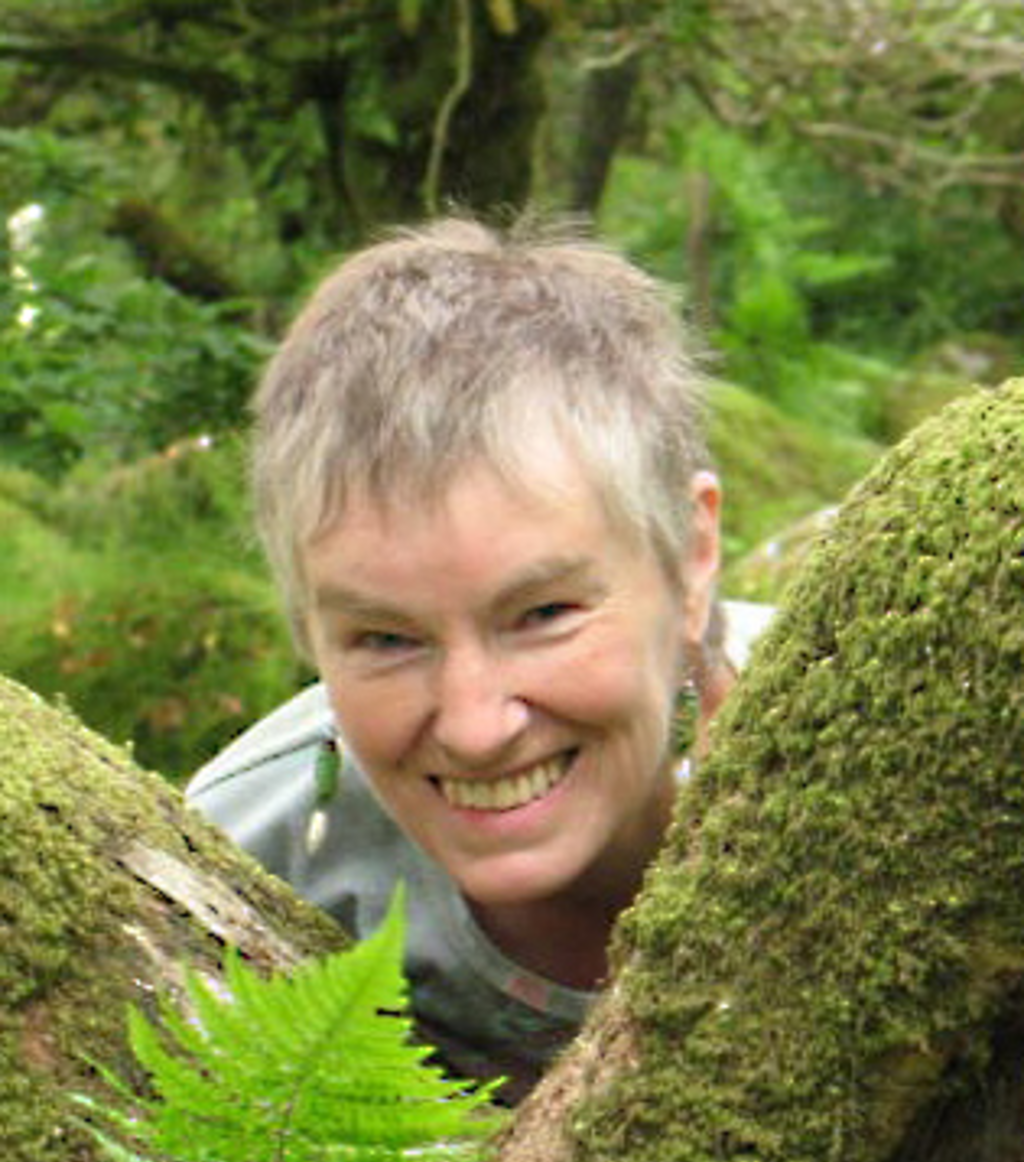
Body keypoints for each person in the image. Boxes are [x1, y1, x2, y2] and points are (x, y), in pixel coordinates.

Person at [186, 216, 772, 1101]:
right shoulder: (231, 869)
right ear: (306, 626)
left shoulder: (895, 738)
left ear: (691, 555)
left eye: (543, 614)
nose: (473, 727)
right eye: (387, 639)